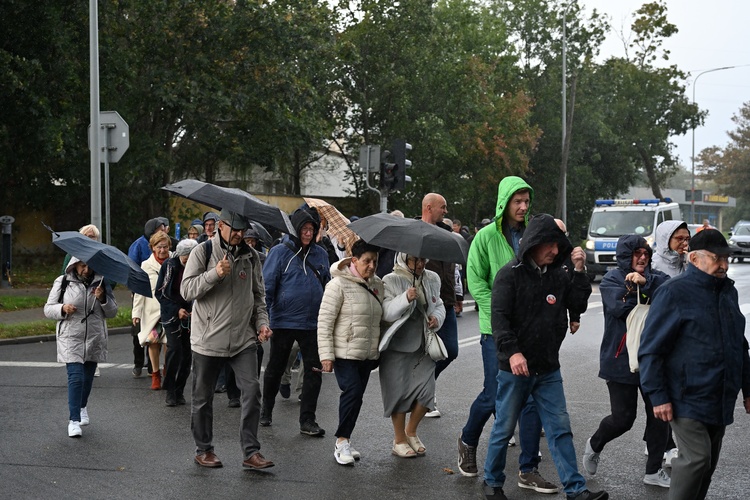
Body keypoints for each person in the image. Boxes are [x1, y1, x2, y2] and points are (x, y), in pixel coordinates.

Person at [482, 213, 604, 500]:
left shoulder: (559, 275)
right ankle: (492, 482)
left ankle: (575, 490)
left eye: (557, 245)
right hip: (515, 369)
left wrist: (578, 270)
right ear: (535, 243)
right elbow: (498, 320)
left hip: (548, 368)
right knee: (503, 428)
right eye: (550, 244)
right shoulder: (508, 275)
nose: (554, 250)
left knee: (560, 430)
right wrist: (513, 353)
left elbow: (577, 304)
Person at [639, 229, 750, 500]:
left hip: (719, 395)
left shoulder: (727, 292)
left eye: (726, 258)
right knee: (696, 459)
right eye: (716, 258)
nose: (723, 265)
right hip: (685, 397)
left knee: (707, 467)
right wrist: (658, 396)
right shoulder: (674, 292)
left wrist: (748, 388)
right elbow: (651, 350)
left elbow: (739, 344)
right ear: (694, 258)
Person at [460, 176, 550, 493]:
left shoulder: (532, 235)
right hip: (494, 330)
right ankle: (468, 440)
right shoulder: (484, 238)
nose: (523, 207)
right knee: (492, 395)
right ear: (505, 203)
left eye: (527, 201)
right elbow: (477, 283)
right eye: (517, 201)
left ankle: (529, 469)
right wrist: (501, 312)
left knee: (529, 400)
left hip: (530, 331)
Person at [181, 208, 274, 470]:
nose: (239, 235)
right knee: (202, 398)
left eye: (243, 231)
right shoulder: (204, 252)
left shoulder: (252, 256)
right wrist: (215, 274)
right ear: (221, 226)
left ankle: (251, 451)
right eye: (234, 230)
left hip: (243, 339)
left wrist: (263, 324)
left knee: (253, 391)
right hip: (208, 338)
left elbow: (259, 297)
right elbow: (187, 290)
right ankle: (204, 449)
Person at [581, 235, 671, 488]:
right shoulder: (612, 279)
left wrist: (647, 282)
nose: (642, 257)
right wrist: (641, 291)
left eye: (646, 253)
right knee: (623, 419)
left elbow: (672, 297)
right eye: (636, 253)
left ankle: (653, 470)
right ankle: (595, 443)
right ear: (624, 256)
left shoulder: (658, 278)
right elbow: (621, 308)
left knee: (660, 415)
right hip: (620, 358)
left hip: (654, 359)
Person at [260, 208, 330, 436]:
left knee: (314, 370)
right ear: (296, 229)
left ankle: (307, 420)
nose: (308, 234)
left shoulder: (321, 254)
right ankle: (266, 410)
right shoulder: (280, 252)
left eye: (312, 229)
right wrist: (266, 319)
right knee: (275, 369)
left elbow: (328, 285)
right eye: (305, 229)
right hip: (283, 321)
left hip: (313, 323)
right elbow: (267, 285)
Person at [317, 240, 384, 465]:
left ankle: (346, 440)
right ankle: (341, 441)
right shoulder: (337, 285)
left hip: (367, 353)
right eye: (367, 261)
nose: (372, 266)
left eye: (375, 261)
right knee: (352, 391)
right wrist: (326, 355)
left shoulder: (378, 285)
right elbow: (325, 322)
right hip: (343, 352)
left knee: (357, 398)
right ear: (354, 261)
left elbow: (380, 319)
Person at [380, 253, 445, 458]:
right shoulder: (390, 280)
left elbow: (439, 304)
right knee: (398, 394)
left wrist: (436, 318)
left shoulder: (432, 278)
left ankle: (412, 431)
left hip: (423, 344)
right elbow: (387, 312)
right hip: (397, 346)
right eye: (415, 260)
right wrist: (405, 298)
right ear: (403, 258)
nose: (420, 264)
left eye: (423, 260)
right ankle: (399, 439)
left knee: (427, 393)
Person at [44, 257, 117, 437]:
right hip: (71, 336)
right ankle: (74, 420)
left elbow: (113, 312)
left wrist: (103, 298)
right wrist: (62, 308)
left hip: (94, 336)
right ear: (74, 265)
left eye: (89, 266)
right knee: (75, 377)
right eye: (82, 266)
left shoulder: (102, 281)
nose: (86, 269)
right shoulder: (63, 282)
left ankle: (82, 406)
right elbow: (48, 309)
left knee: (87, 378)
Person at [419, 193, 460, 417]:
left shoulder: (446, 235)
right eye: (442, 207)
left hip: (446, 302)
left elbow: (451, 273)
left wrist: (457, 298)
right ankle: (425, 395)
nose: (445, 211)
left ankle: (424, 387)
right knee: (425, 352)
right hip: (424, 304)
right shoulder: (415, 235)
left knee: (451, 350)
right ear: (429, 207)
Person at [155, 238, 197, 406]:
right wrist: (176, 310)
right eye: (185, 256)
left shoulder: (197, 266)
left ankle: (180, 390)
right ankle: (170, 390)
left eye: (191, 256)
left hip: (191, 314)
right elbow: (160, 293)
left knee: (188, 354)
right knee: (175, 350)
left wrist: (195, 308)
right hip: (171, 314)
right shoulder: (170, 266)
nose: (188, 259)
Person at [132, 231, 172, 390]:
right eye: (159, 247)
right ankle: (155, 374)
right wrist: (136, 313)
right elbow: (140, 291)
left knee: (170, 344)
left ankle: (168, 371)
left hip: (171, 311)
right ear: (153, 248)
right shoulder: (146, 266)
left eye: (165, 247)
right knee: (153, 342)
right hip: (152, 313)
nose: (162, 250)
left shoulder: (174, 261)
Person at [127, 217, 165, 377]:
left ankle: (154, 368)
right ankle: (138, 363)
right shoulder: (138, 245)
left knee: (162, 340)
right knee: (141, 335)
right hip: (145, 298)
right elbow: (132, 266)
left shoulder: (169, 254)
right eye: (160, 228)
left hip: (165, 307)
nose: (164, 231)